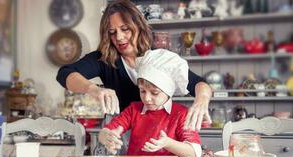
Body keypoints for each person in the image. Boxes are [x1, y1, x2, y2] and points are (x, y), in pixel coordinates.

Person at [56, 0, 212, 130]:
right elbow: (64, 73)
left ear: (138, 26)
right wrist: (93, 89)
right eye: (112, 32)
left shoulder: (159, 59)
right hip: (123, 137)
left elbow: (199, 84)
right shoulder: (104, 59)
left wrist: (202, 100)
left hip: (161, 136)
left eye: (125, 29)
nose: (119, 37)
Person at [98, 49, 202, 157]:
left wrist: (168, 143)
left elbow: (194, 153)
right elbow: (107, 130)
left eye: (154, 93)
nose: (147, 98)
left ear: (168, 91)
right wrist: (107, 137)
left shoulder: (181, 114)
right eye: (142, 91)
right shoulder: (134, 109)